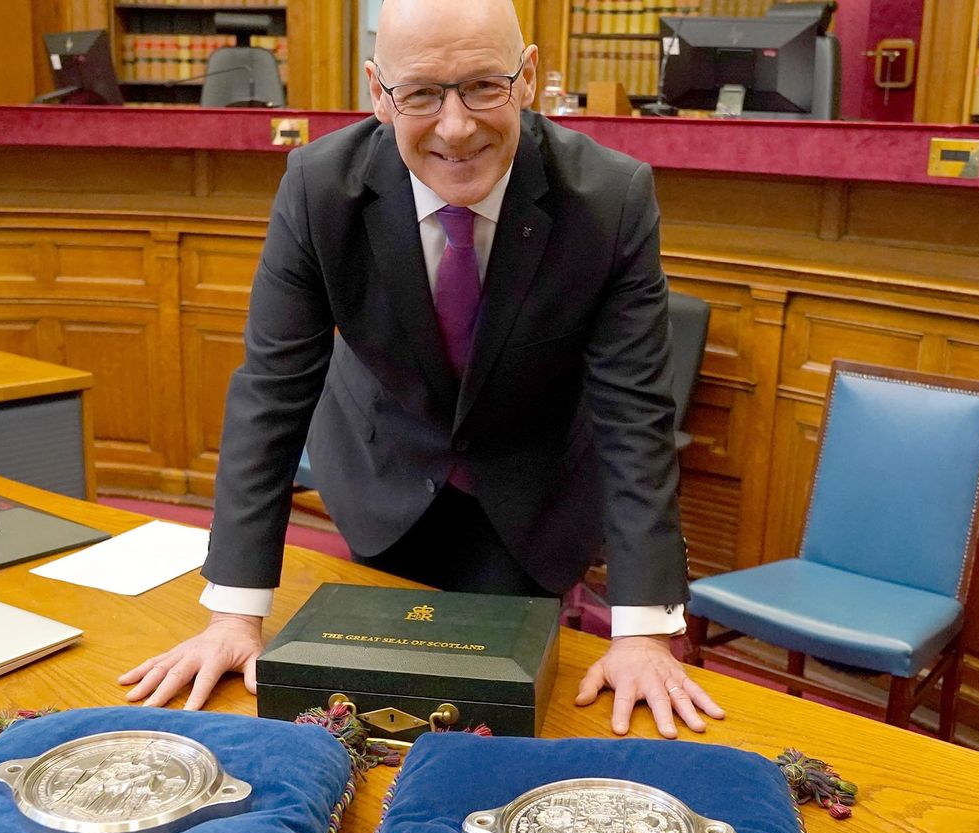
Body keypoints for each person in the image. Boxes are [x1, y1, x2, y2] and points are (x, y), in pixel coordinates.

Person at [122, 0, 724, 739]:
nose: (457, 126)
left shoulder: (610, 198)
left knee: (506, 719)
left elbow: (634, 417)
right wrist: (233, 615)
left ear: (528, 76)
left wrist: (640, 636)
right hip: (382, 471)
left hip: (534, 489)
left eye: (483, 86)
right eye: (422, 94)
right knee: (369, 711)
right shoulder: (318, 189)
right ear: (379, 92)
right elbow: (272, 394)